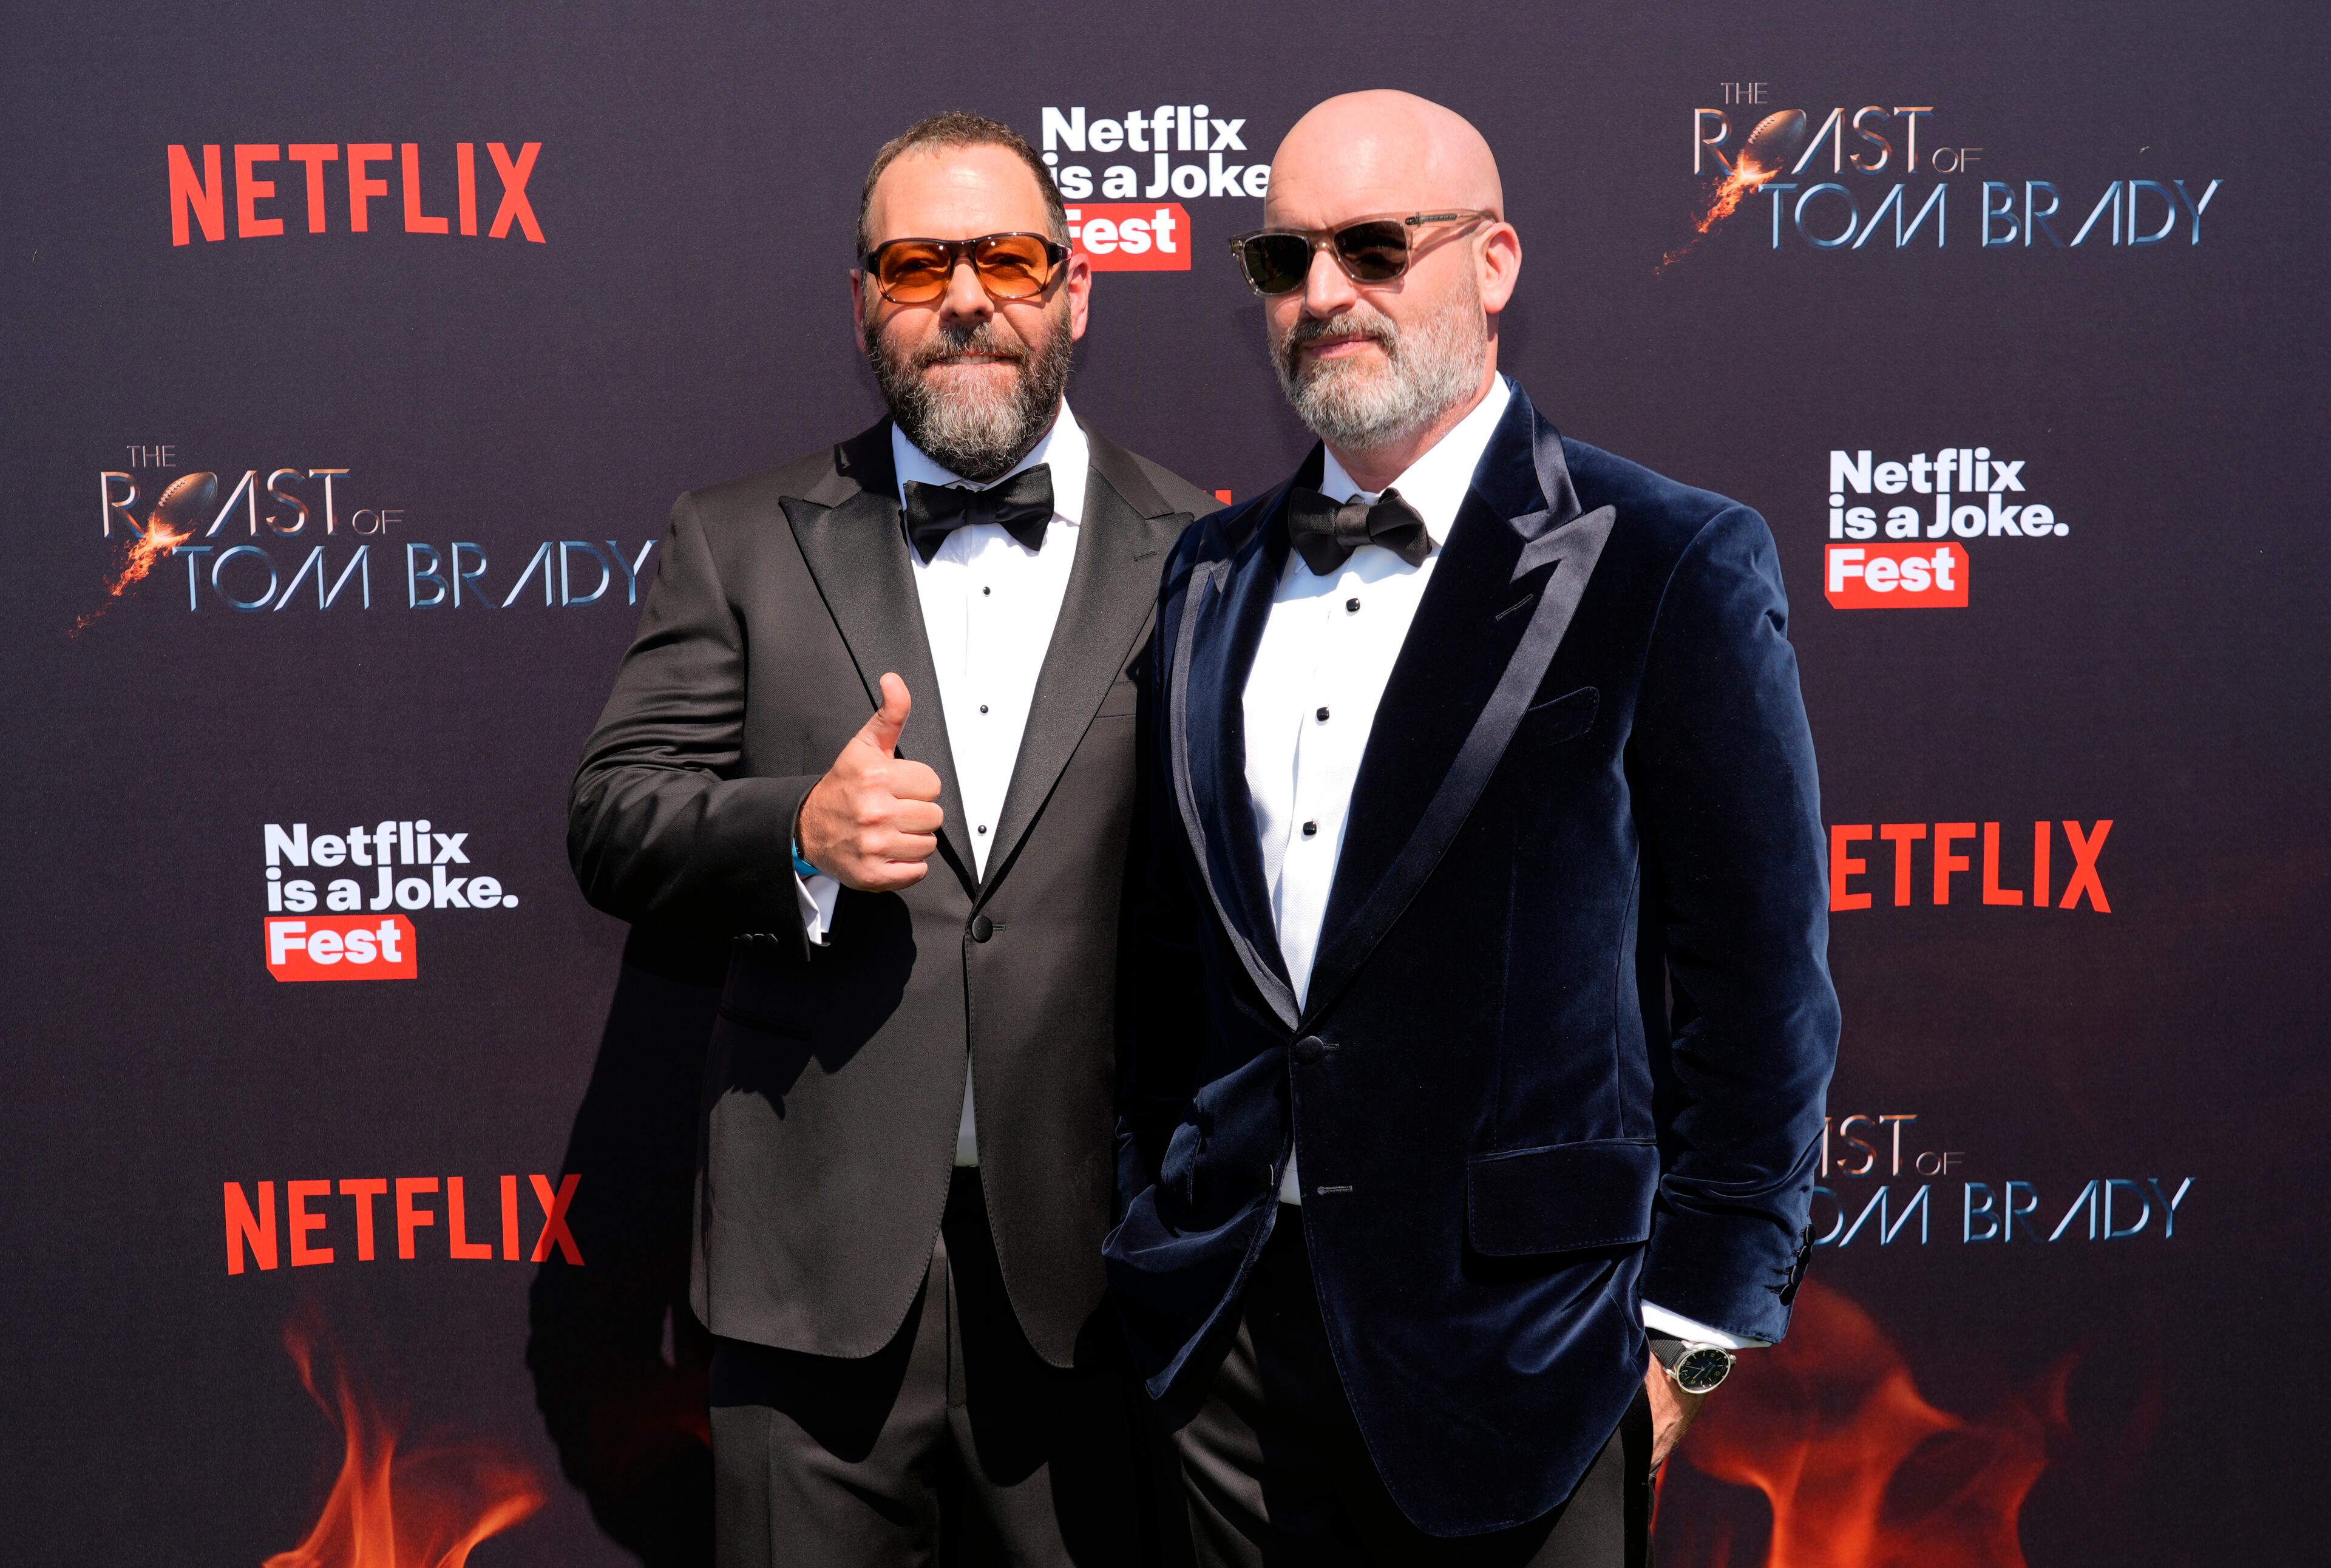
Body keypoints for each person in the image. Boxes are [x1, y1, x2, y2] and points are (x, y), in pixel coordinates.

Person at [1106, 90, 1840, 1566]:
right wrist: (1157, 1225)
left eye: (1377, 246)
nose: (1326, 294)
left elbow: (1762, 992)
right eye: (1284, 259)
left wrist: (1688, 1337)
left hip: (1527, 1361)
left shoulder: (1668, 556)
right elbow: (1165, 958)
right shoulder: (1203, 571)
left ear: (1496, 262)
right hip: (1228, 1358)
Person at [569, 110, 1218, 1567]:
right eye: (919, 264)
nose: (967, 297)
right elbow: (614, 815)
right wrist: (794, 830)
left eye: (1007, 256)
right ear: (863, 300)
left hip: (1101, 1291)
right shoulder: (737, 537)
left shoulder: (1204, 555)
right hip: (811, 1292)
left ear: (1078, 288)